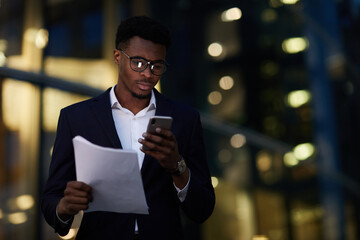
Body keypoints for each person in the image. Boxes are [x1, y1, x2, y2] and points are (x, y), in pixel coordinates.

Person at [41, 15, 215, 240]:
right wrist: (66, 205)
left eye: (157, 65)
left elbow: (203, 208)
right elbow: (51, 199)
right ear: (117, 57)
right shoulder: (76, 118)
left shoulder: (185, 120)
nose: (148, 73)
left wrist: (177, 167)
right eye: (139, 62)